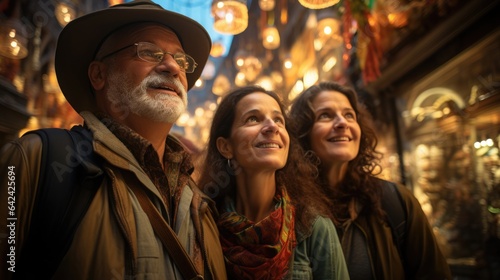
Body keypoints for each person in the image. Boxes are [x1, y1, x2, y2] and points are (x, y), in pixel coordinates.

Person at [0, 1, 226, 279]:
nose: (172, 67)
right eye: (148, 52)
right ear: (99, 74)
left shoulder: (199, 202)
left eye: (181, 60)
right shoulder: (34, 161)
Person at [288, 81, 452, 279]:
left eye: (349, 115)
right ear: (303, 133)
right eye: (325, 115)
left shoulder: (395, 202)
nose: (342, 123)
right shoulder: (289, 212)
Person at [197, 85, 350, 279]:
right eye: (253, 118)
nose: (272, 127)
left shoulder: (312, 226)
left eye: (279, 119)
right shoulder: (205, 224)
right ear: (226, 147)